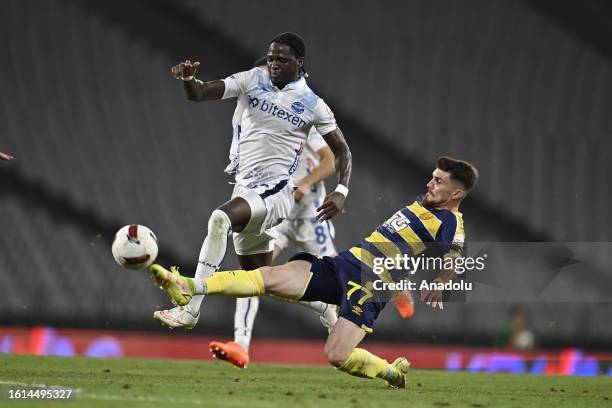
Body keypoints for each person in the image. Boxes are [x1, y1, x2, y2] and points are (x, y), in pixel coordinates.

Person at [150, 156, 479, 388]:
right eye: (432, 177)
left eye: (438, 181)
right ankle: (191, 285)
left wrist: (439, 282)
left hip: (371, 286)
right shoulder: (428, 204)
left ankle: (389, 372)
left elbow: (453, 257)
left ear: (457, 194)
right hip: (348, 263)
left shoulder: (449, 221)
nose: (429, 183)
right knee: (271, 277)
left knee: (336, 355)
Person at [153, 32, 352, 334]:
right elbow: (200, 93)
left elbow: (342, 151)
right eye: (270, 58)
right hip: (246, 187)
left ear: (299, 63)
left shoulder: (313, 104)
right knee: (261, 279)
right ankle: (323, 306)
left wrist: (341, 190)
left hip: (277, 193)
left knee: (220, 219)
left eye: (281, 59)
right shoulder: (252, 80)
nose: (273, 64)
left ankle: (190, 309)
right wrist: (188, 80)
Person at [211, 125, 339, 368]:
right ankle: (240, 345)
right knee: (255, 275)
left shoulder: (300, 119)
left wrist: (305, 182)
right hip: (280, 213)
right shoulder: (261, 122)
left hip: (311, 215)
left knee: (339, 280)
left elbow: (331, 161)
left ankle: (385, 285)